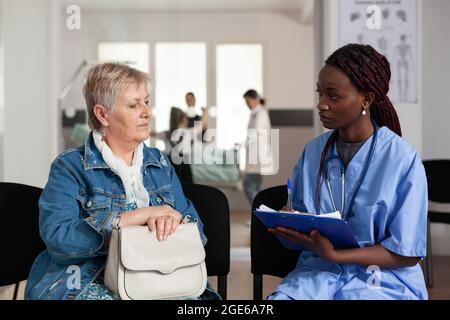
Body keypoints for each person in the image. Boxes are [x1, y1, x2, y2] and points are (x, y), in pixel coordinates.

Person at [25, 63, 220, 300]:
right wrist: (131, 219)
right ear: (102, 114)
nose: (146, 112)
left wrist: (174, 220)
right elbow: (59, 239)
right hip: (89, 277)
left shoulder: (160, 163)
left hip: (161, 276)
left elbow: (197, 232)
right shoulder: (69, 167)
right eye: (133, 105)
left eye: (146, 102)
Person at [268, 44, 427, 300]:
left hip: (382, 278)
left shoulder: (402, 159)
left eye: (333, 96)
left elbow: (407, 252)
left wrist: (336, 254)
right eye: (320, 93)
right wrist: (290, 222)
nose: (321, 104)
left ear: (366, 99)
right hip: (318, 273)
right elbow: (302, 216)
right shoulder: (313, 153)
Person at [242, 89, 272, 206]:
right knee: (256, 187)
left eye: (248, 101)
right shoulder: (256, 113)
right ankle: (260, 215)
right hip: (256, 157)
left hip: (258, 157)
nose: (247, 104)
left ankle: (259, 212)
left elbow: (256, 135)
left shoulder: (260, 114)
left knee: (248, 185)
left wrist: (245, 144)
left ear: (254, 99)